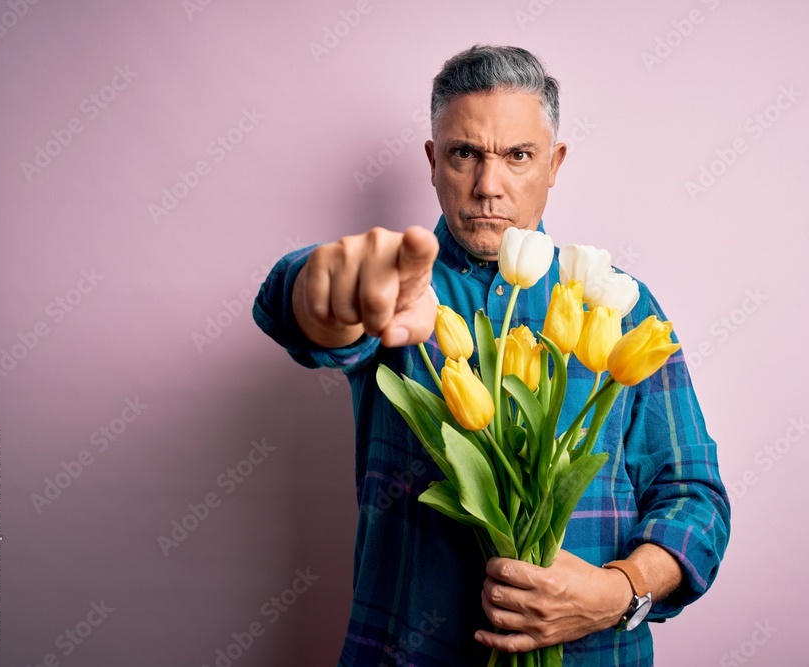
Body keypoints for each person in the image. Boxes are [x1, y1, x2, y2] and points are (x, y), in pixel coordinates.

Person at [253, 44, 730, 666]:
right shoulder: (400, 287)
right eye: (464, 154)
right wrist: (325, 295)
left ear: (554, 164)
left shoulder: (619, 306)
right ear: (432, 161)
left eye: (518, 156)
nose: (488, 186)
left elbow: (693, 494)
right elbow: (301, 309)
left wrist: (617, 592)